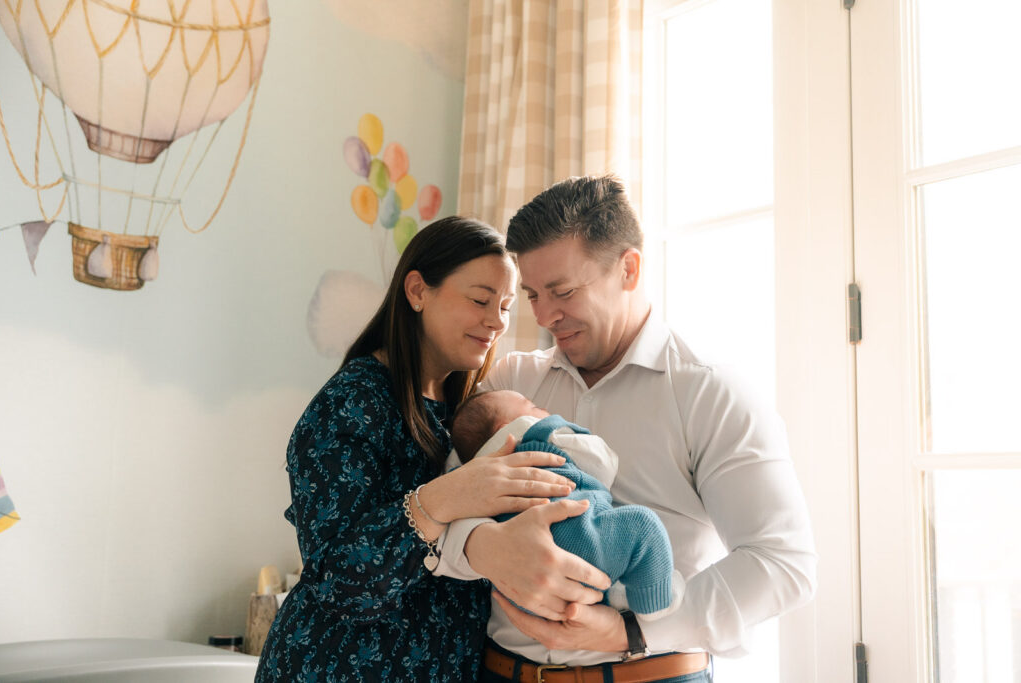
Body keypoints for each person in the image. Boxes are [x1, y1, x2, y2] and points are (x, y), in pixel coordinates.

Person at [435, 176, 818, 682]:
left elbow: (783, 564)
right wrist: (483, 546)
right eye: (531, 295)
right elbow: (438, 509)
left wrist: (628, 631)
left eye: (563, 291)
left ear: (628, 268)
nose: (546, 316)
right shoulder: (510, 383)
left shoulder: (709, 394)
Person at [255, 216, 582, 683]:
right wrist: (448, 496)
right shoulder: (349, 405)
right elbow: (338, 581)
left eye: (507, 306)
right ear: (417, 291)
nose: (497, 321)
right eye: (480, 300)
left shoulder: (469, 413)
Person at [450, 390, 680, 661]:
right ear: (509, 428)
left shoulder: (468, 474)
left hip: (520, 594)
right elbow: (604, 463)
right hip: (575, 534)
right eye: (534, 406)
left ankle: (613, 596)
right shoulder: (543, 434)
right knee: (643, 526)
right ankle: (653, 607)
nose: (544, 411)